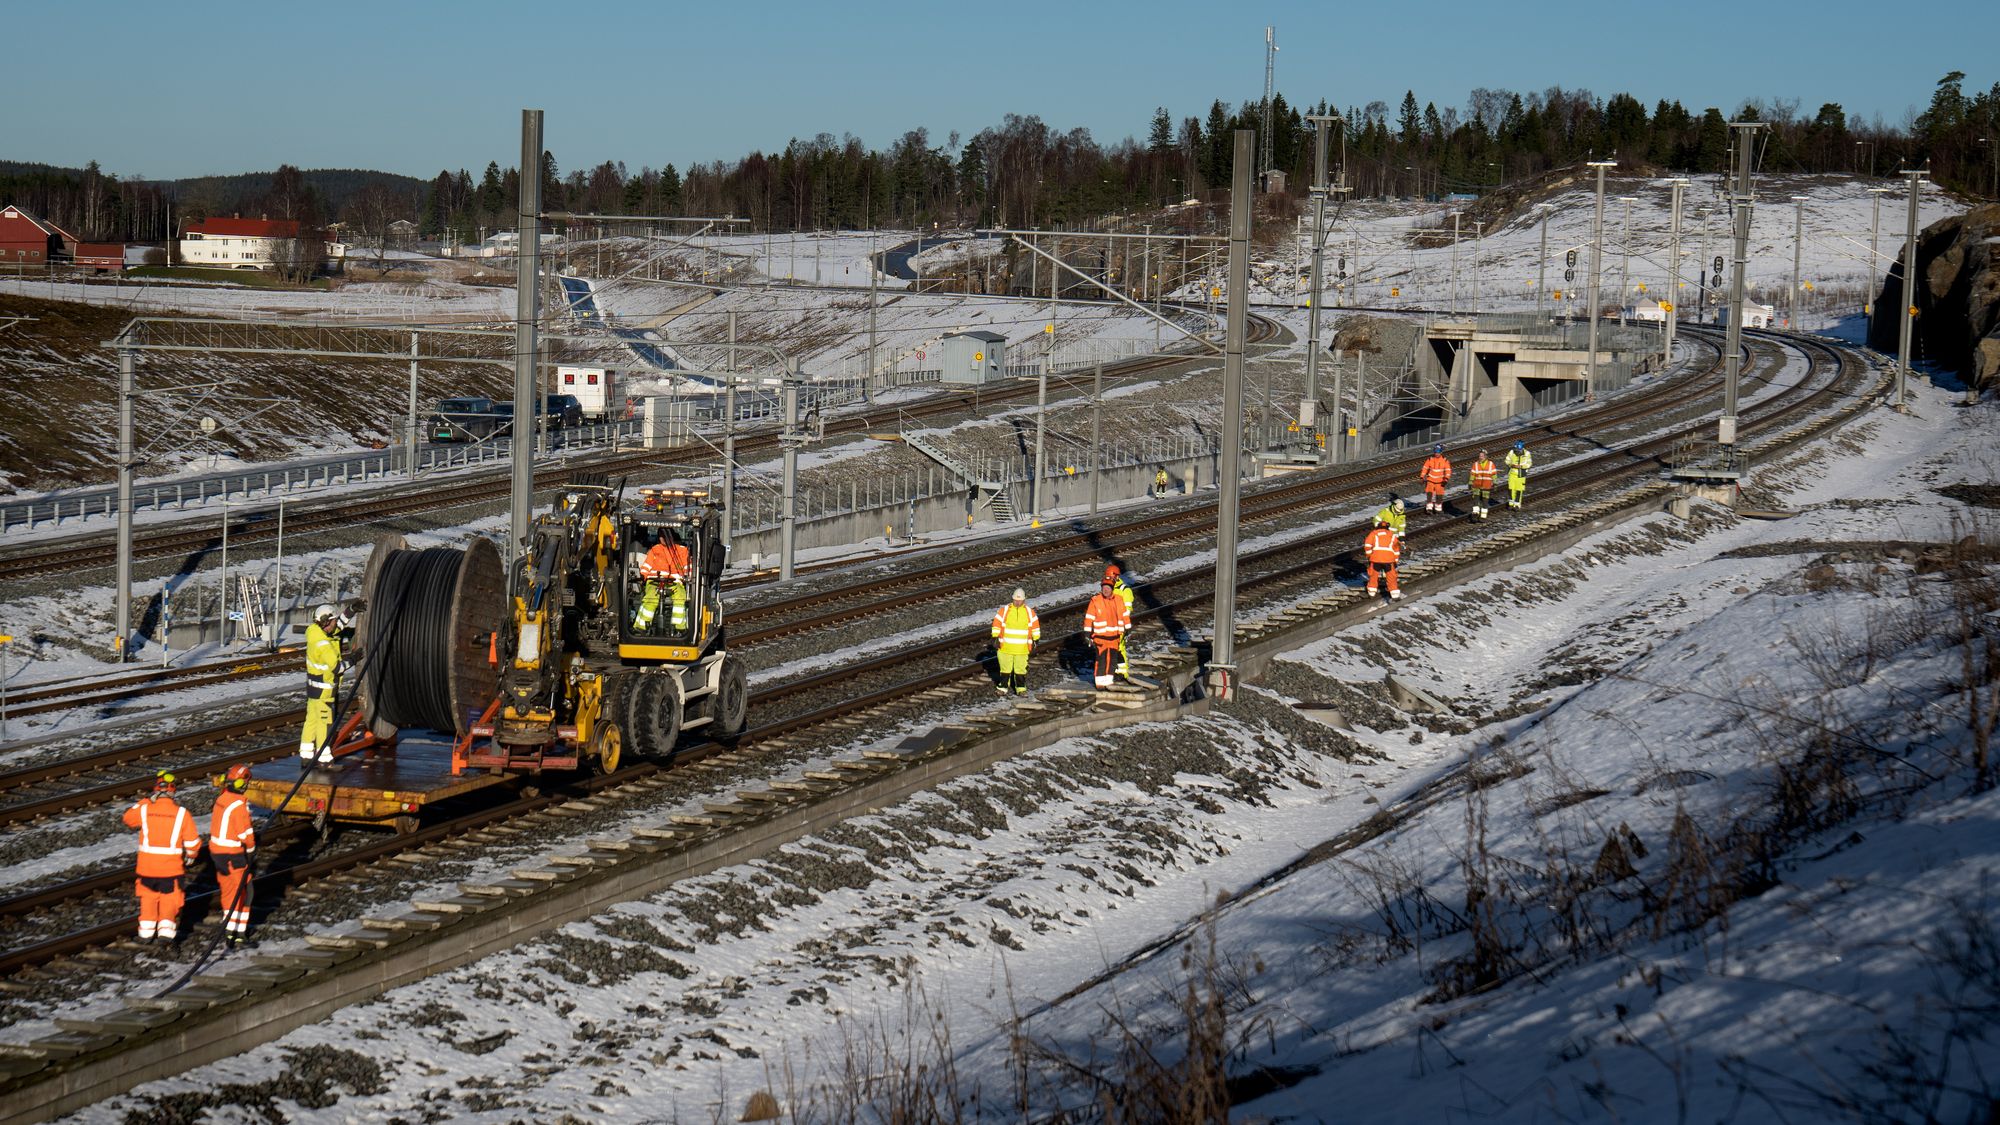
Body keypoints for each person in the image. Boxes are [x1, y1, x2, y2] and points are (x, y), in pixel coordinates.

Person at [123, 771, 202, 943]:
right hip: (171, 869)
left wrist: (145, 800)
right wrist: (191, 855)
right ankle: (165, 934)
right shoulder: (182, 813)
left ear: (155, 791)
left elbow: (128, 818)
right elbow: (193, 841)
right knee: (169, 899)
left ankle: (145, 934)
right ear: (173, 792)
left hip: (147, 868)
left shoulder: (144, 809)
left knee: (149, 898)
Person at [209, 763, 258, 946]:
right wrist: (251, 848)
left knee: (229, 891)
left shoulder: (222, 799)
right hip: (233, 854)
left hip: (218, 853)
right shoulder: (238, 804)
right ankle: (239, 934)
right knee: (246, 892)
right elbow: (244, 832)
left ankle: (229, 930)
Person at [299, 603, 351, 764]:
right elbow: (337, 668)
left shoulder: (315, 631)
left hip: (313, 687)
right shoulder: (324, 645)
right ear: (327, 622)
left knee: (311, 720)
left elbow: (337, 627)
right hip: (324, 691)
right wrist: (354, 659)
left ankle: (306, 755)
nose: (336, 623)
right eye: (334, 620)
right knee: (325, 723)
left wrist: (351, 611)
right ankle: (324, 759)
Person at [635, 529, 691, 635]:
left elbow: (688, 567)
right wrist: (642, 576)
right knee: (650, 598)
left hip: (674, 582)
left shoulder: (682, 551)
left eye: (665, 536)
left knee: (680, 597)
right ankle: (641, 626)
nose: (663, 539)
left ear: (672, 536)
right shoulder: (654, 550)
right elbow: (647, 566)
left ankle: (679, 627)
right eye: (661, 537)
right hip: (654, 581)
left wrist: (689, 576)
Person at [989, 587, 1041, 695]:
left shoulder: (1029, 612)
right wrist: (995, 637)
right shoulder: (1005, 610)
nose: (1017, 602)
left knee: (1020, 670)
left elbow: (1035, 627)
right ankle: (1002, 688)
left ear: (1024, 600)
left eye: (1019, 600)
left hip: (1022, 649)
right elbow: (996, 624)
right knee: (1005, 669)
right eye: (1016, 600)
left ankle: (1021, 689)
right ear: (1012, 599)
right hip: (1005, 647)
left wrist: (1036, 639)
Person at [1082, 577, 1131, 690]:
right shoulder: (1095, 601)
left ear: (1112, 588)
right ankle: (1100, 683)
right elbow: (1089, 618)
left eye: (1108, 587)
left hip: (1114, 637)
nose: (1106, 590)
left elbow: (1124, 616)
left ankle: (1108, 681)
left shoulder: (1118, 600)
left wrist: (1128, 629)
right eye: (1104, 587)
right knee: (1101, 660)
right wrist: (1087, 634)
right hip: (1100, 638)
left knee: (1112, 660)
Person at [1106, 565, 1137, 678]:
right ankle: (1115, 670)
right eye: (1108, 577)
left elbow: (1127, 610)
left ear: (1116, 576)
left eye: (1110, 576)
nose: (1109, 579)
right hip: (1109, 623)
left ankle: (1122, 672)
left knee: (1119, 647)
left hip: (1120, 624)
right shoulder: (1109, 589)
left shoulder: (1125, 590)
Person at [1363, 517, 1403, 600]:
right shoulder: (1392, 535)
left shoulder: (1373, 533)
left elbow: (1367, 545)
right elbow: (1396, 549)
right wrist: (1395, 560)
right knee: (1391, 576)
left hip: (1375, 559)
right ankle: (1395, 595)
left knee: (1373, 575)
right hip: (1389, 560)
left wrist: (1369, 556)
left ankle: (1372, 592)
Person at [1420, 444, 1453, 512]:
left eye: (1438, 452)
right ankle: (1429, 508)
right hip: (1430, 480)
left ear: (1441, 452)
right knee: (1429, 494)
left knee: (1439, 495)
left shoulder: (1445, 460)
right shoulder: (1430, 459)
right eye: (1435, 452)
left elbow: (1448, 470)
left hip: (1440, 481)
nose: (1436, 454)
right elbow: (1425, 468)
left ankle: (1438, 508)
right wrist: (1422, 477)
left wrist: (1446, 479)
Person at [1468, 451, 1498, 519]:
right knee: (1476, 500)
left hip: (1486, 486)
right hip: (1476, 485)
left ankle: (1483, 516)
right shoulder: (1475, 464)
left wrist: (1495, 483)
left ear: (1485, 456)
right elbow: (1472, 474)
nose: (1480, 457)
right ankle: (1475, 513)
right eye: (1479, 456)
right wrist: (1470, 482)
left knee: (1485, 501)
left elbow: (1494, 474)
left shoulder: (1490, 464)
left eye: (1481, 456)